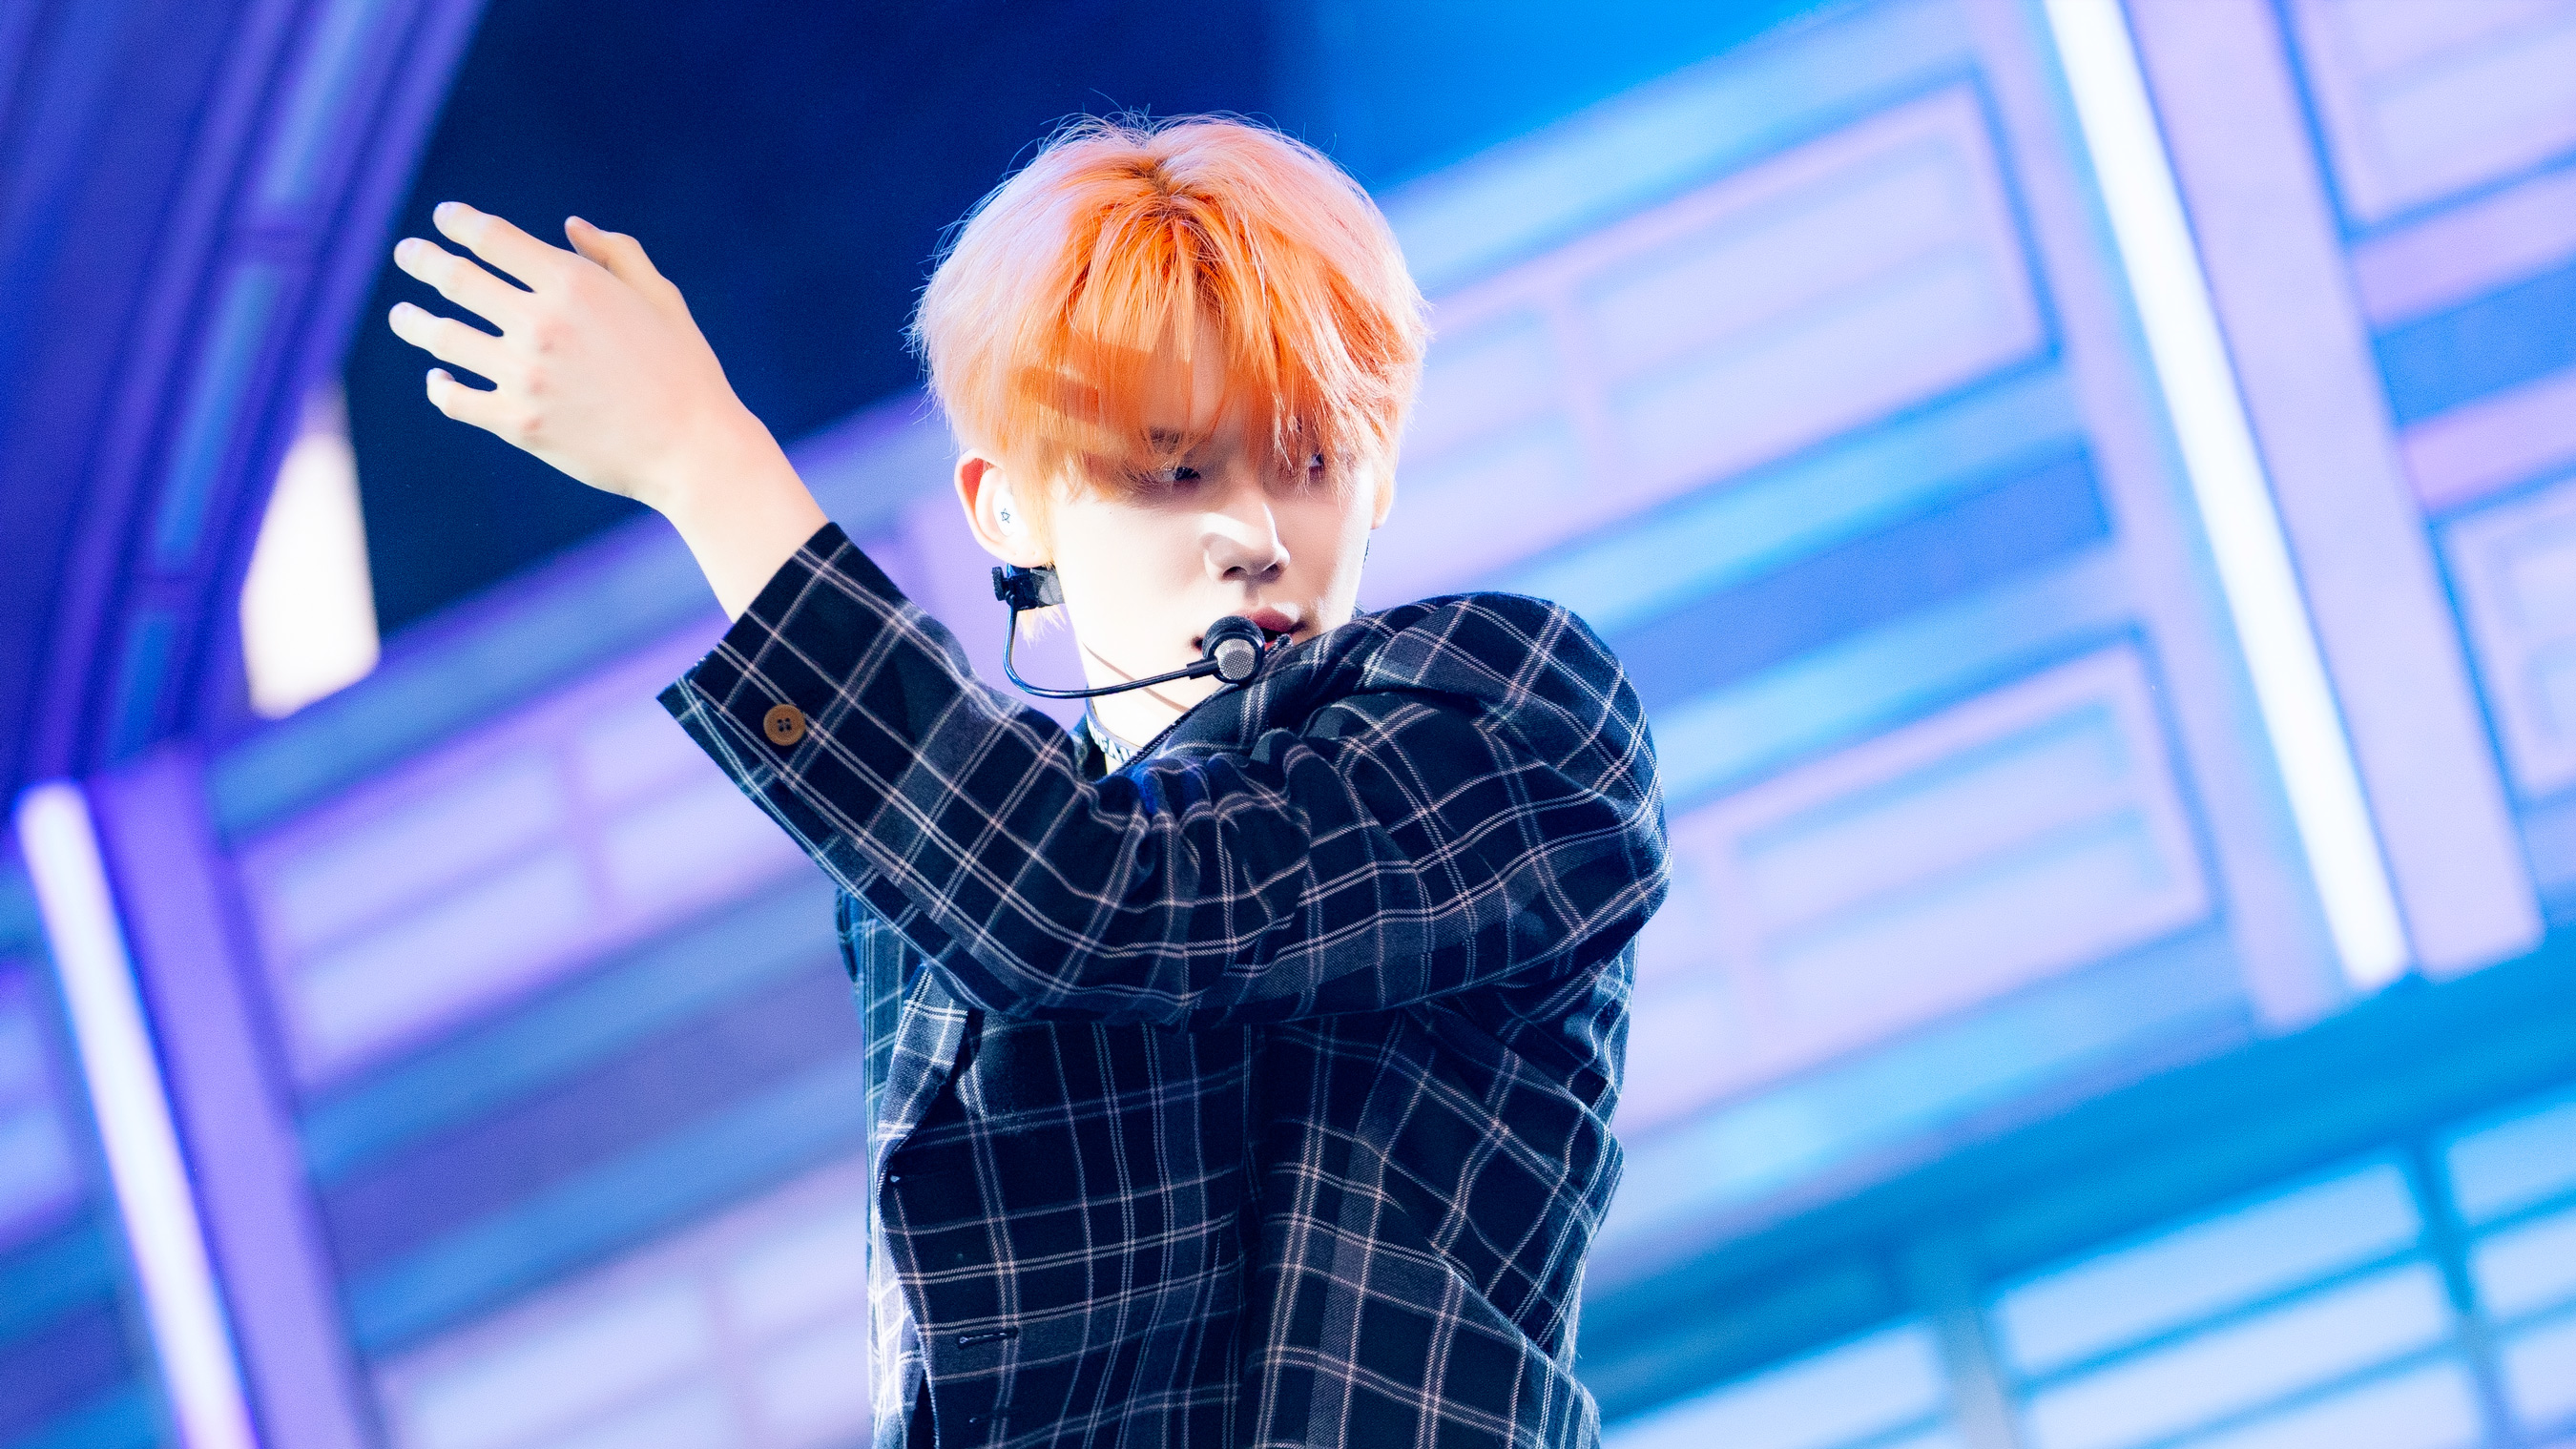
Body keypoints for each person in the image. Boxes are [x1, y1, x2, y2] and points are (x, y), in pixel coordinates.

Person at [385, 114, 1667, 1449]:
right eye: (1172, 471)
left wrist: (703, 462)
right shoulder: (932, 885)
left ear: (1380, 470)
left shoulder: (1514, 711)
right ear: (1007, 509)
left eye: (1311, 460)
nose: (1253, 532)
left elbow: (1110, 901)